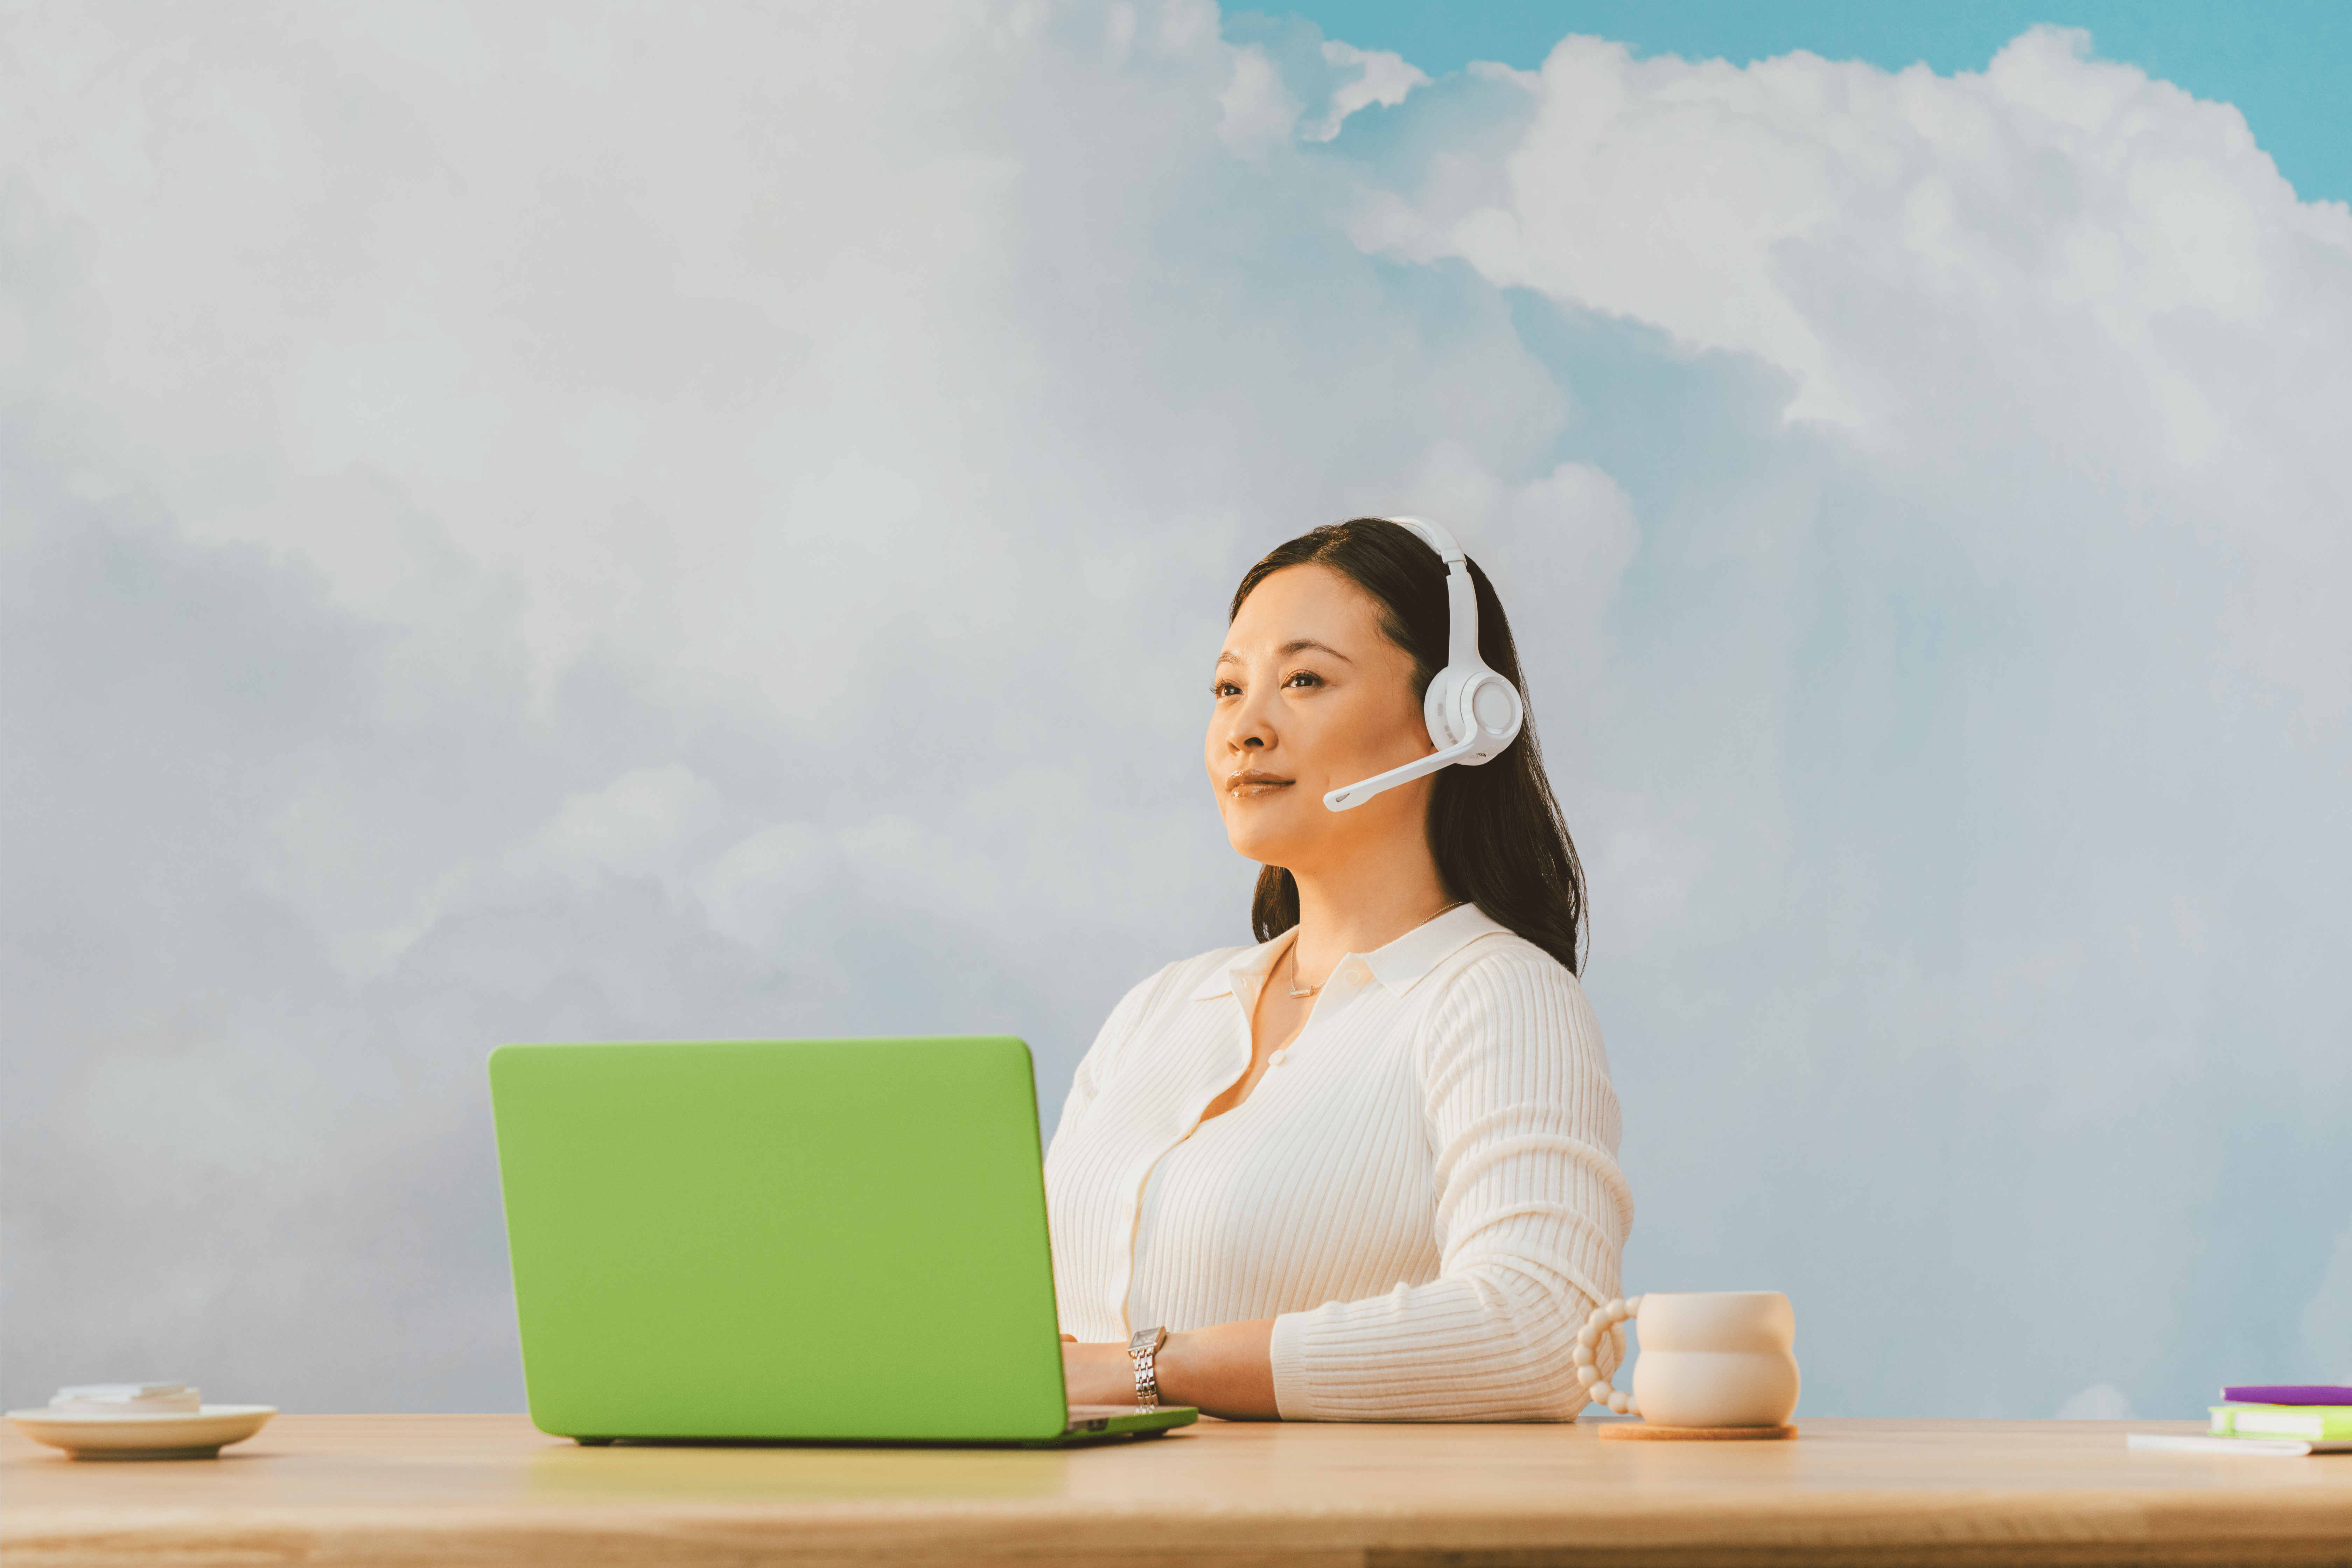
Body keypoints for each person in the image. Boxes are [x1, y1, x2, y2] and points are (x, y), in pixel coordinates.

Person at [1044, 517, 1632, 1422]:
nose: (1245, 728)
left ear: (1456, 717)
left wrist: (1155, 1368)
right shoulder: (1160, 1009)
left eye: (1304, 680)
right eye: (1227, 688)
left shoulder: (1497, 997)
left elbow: (1549, 1328)